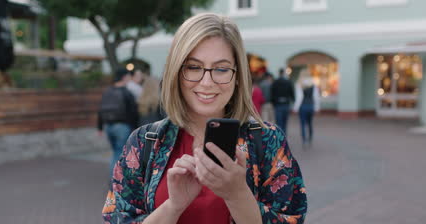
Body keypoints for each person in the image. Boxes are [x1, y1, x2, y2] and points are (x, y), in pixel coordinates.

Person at [102, 13, 307, 224]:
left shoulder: (267, 141)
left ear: (237, 76)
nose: (207, 82)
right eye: (193, 67)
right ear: (176, 72)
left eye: (221, 69)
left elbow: (292, 218)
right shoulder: (144, 142)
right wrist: (173, 207)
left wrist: (237, 195)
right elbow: (116, 218)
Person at [98, 68, 139, 172]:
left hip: (108, 126)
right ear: (124, 77)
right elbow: (133, 112)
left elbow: (100, 110)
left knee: (116, 152)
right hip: (122, 127)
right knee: (120, 153)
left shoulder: (107, 92)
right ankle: (116, 181)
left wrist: (99, 127)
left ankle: (115, 179)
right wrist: (135, 128)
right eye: (128, 77)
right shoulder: (127, 93)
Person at [293, 69, 320, 145]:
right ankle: (310, 138)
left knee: (302, 124)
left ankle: (304, 140)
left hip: (303, 106)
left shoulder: (299, 84)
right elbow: (316, 97)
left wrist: (295, 108)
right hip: (310, 106)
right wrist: (317, 107)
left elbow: (299, 97)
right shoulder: (313, 84)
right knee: (310, 123)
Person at [270, 68, 295, 135]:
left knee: (278, 122)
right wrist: (293, 101)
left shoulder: (275, 82)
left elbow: (272, 93)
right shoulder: (288, 82)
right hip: (286, 104)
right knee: (285, 121)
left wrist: (273, 103)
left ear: (279, 73)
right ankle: (284, 135)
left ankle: (279, 135)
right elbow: (292, 93)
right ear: (283, 73)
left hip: (278, 104)